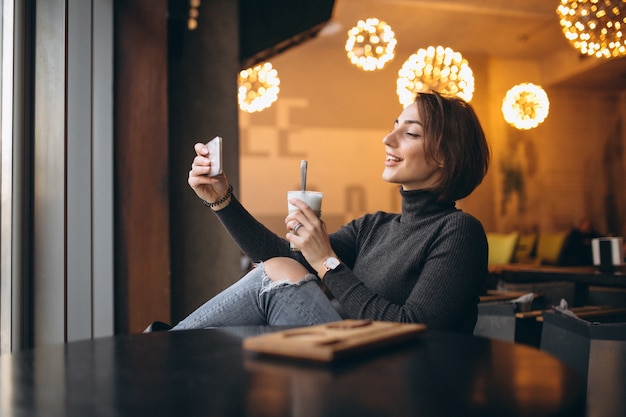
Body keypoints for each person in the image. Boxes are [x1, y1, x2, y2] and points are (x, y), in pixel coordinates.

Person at [170, 91, 490, 334]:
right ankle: (166, 351)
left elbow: (416, 327)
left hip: (399, 376)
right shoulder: (373, 227)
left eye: (410, 133)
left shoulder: (459, 231)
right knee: (261, 304)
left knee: (276, 277)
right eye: (394, 127)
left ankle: (160, 349)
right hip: (346, 355)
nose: (387, 139)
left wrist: (326, 261)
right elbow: (286, 260)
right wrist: (222, 200)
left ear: (445, 156)